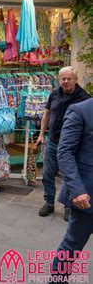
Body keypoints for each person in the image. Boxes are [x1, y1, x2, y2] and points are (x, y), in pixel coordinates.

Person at [36, 66, 90, 220]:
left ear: (75, 79)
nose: (65, 81)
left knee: (69, 177)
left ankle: (68, 206)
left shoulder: (84, 98)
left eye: (69, 78)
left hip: (72, 147)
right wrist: (41, 134)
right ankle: (49, 203)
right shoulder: (54, 94)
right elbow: (47, 114)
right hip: (52, 142)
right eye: (63, 79)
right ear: (59, 79)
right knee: (47, 174)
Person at [50, 98, 93, 284]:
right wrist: (77, 190)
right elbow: (65, 151)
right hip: (86, 196)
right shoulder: (81, 110)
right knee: (71, 247)